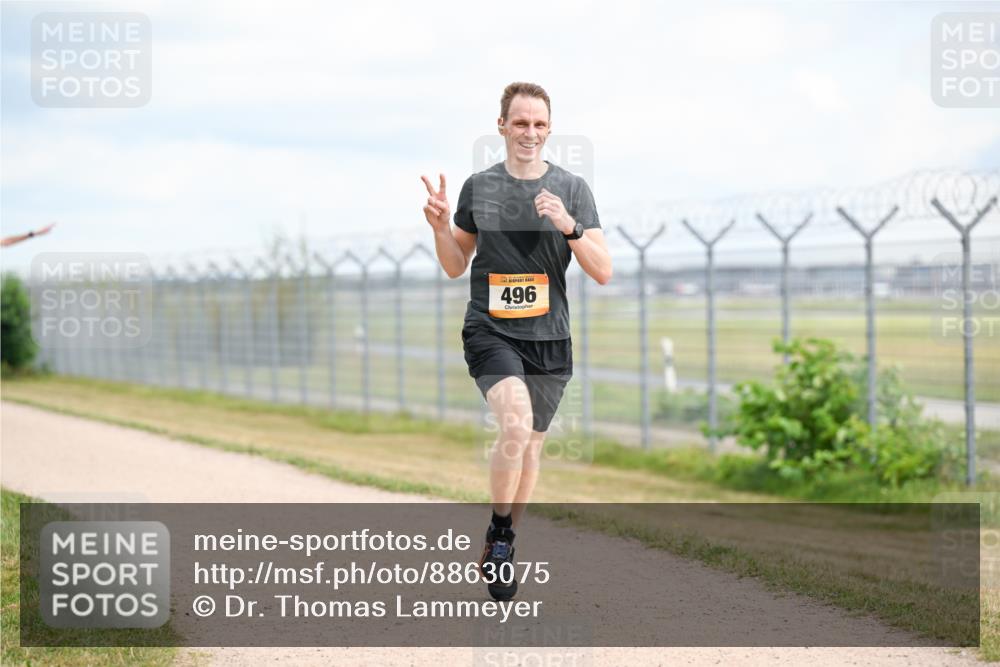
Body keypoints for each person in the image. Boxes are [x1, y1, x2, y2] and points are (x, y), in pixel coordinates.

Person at [421, 82, 612, 601]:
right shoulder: (478, 187)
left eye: (539, 124)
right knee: (514, 421)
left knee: (529, 448)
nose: (530, 132)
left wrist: (569, 226)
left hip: (550, 337)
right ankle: (501, 535)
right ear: (502, 126)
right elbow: (455, 264)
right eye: (520, 122)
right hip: (491, 328)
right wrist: (441, 228)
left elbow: (603, 270)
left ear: (549, 130)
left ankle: (502, 534)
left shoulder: (572, 190)